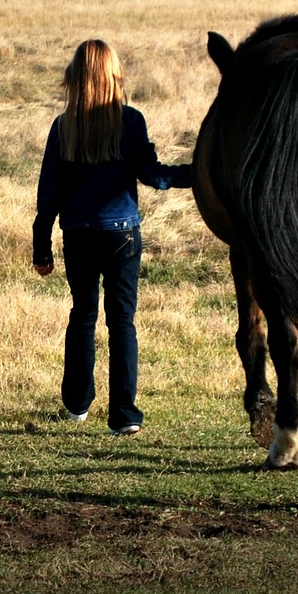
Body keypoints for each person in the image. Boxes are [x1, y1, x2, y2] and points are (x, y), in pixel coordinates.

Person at [32, 39, 192, 437]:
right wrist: (197, 173)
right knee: (123, 322)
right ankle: (124, 415)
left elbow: (48, 193)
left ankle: (77, 402)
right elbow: (153, 175)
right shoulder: (131, 121)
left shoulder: (63, 126)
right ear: (113, 75)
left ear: (76, 77)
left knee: (83, 315)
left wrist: (41, 246)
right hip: (123, 235)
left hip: (78, 235)